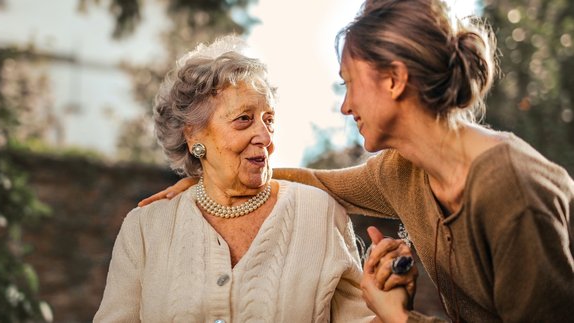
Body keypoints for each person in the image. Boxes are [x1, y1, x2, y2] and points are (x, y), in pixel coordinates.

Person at [138, 1, 574, 322]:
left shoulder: (511, 191)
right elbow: (320, 182)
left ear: (394, 80)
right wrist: (214, 180)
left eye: (350, 84)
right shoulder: (402, 171)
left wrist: (397, 318)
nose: (345, 107)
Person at [94, 35, 411, 322]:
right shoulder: (146, 228)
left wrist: (389, 308)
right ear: (193, 136)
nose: (264, 135)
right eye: (244, 119)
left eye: (269, 119)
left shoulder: (319, 212)